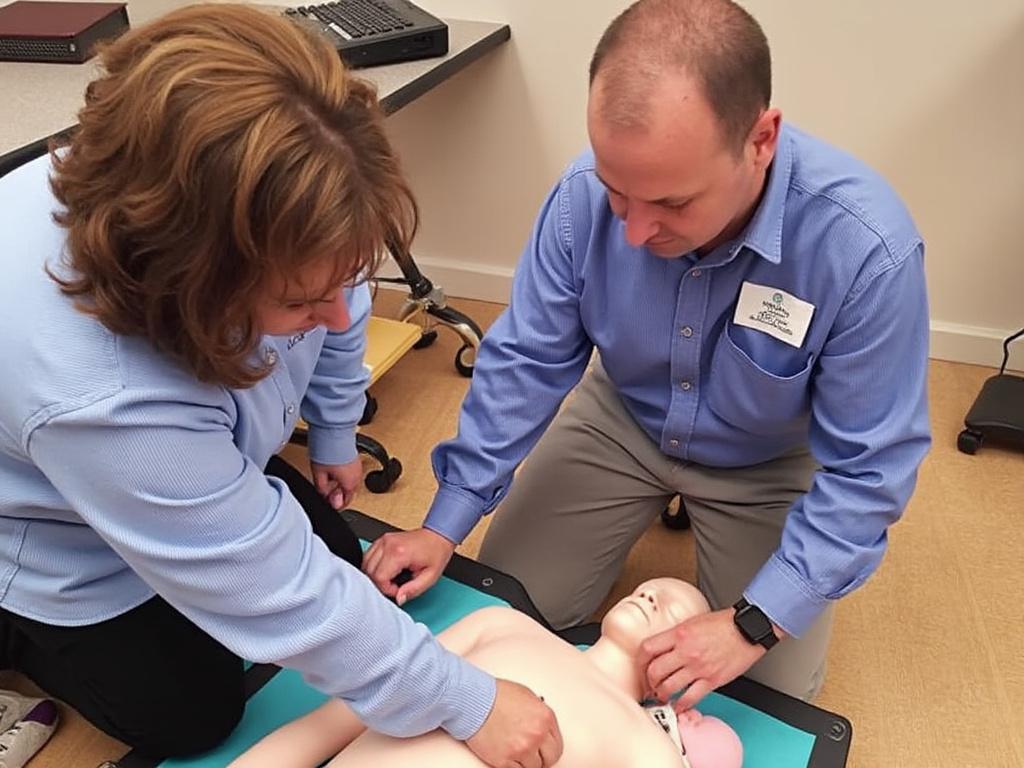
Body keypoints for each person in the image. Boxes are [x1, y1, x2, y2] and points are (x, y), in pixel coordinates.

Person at [0, 6, 561, 766]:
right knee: (193, 713)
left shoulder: (287, 227)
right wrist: (470, 701)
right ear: (191, 281)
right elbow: (275, 591)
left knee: (342, 568)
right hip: (54, 531)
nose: (334, 312)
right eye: (298, 303)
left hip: (179, 444)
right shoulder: (99, 391)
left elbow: (342, 302)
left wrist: (331, 431)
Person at [364, 0, 931, 713]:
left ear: (761, 140)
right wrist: (444, 521)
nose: (633, 232)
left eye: (670, 202)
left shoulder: (864, 250)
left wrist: (753, 625)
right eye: (616, 192)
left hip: (773, 459)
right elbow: (527, 363)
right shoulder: (580, 197)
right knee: (502, 616)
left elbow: (870, 469)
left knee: (757, 700)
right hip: (622, 416)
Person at [230, 578, 743, 768]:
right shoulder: (504, 622)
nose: (653, 594)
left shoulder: (646, 749)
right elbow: (337, 719)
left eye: (677, 610)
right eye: (651, 588)